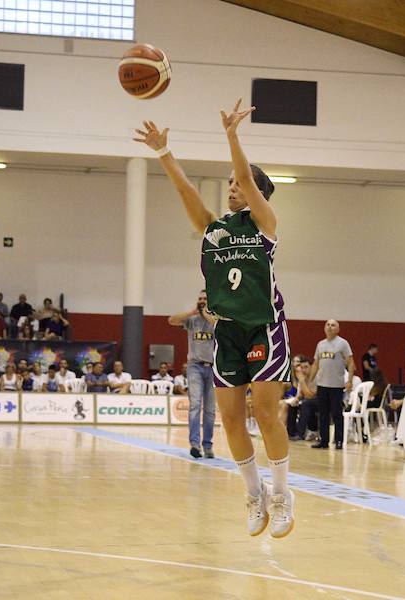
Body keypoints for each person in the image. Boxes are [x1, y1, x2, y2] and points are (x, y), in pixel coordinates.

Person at [134, 100, 294, 538]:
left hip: (264, 326)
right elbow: (188, 194)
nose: (232, 188)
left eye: (239, 185)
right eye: (228, 184)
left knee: (264, 413)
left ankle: (281, 494)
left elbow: (245, 175)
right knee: (229, 419)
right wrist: (164, 153)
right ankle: (253, 493)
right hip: (227, 331)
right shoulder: (214, 228)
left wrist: (231, 135)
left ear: (258, 192)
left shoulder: (264, 223)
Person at [168, 290, 218, 459]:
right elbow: (172, 320)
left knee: (210, 410)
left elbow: (215, 322)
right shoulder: (192, 320)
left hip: (212, 368)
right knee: (195, 405)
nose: (202, 301)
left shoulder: (215, 320)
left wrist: (206, 312)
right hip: (195, 367)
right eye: (200, 299)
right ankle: (195, 445)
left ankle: (208, 445)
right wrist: (192, 312)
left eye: (205, 299)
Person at [308, 320, 355, 450]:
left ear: (338, 329)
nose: (330, 327)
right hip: (322, 385)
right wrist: (310, 381)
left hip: (337, 385)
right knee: (323, 414)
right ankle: (324, 441)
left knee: (336, 413)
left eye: (333, 325)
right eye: (327, 325)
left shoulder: (343, 343)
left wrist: (349, 380)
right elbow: (316, 364)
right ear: (324, 328)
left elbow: (350, 362)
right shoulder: (320, 344)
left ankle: (339, 440)